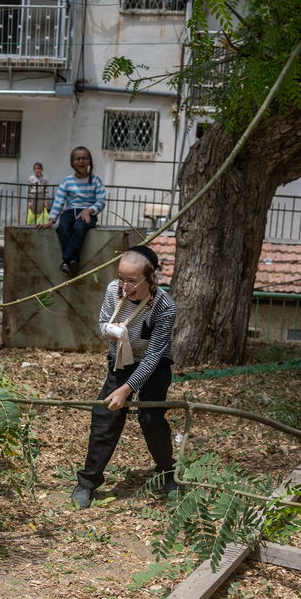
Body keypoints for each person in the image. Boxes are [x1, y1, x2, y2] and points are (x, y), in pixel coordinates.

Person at [71, 246, 178, 509]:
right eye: (121, 277)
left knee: (151, 418)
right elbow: (102, 321)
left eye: (132, 280)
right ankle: (87, 482)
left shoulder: (165, 306)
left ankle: (167, 472)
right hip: (120, 359)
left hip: (154, 365)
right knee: (105, 415)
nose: (124, 285)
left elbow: (153, 356)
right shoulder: (112, 290)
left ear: (150, 278)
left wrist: (127, 389)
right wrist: (109, 331)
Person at [37, 146, 106, 274]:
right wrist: (51, 220)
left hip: (87, 214)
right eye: (77, 159)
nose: (81, 161)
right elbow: (59, 202)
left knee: (79, 228)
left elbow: (101, 202)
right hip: (69, 212)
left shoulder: (96, 181)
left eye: (84, 158)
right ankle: (73, 259)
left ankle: (66, 260)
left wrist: (89, 210)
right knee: (62, 227)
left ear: (89, 161)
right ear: (72, 162)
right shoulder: (66, 181)